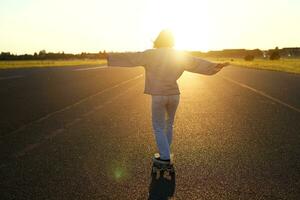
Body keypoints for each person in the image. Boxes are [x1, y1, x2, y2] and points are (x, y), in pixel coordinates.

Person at [107, 29, 229, 165]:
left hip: (158, 95)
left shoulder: (150, 54)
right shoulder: (178, 55)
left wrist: (109, 57)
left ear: (158, 40)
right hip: (174, 95)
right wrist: (215, 66)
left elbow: (131, 58)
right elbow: (196, 63)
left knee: (158, 126)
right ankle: (165, 152)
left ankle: (164, 156)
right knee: (169, 124)